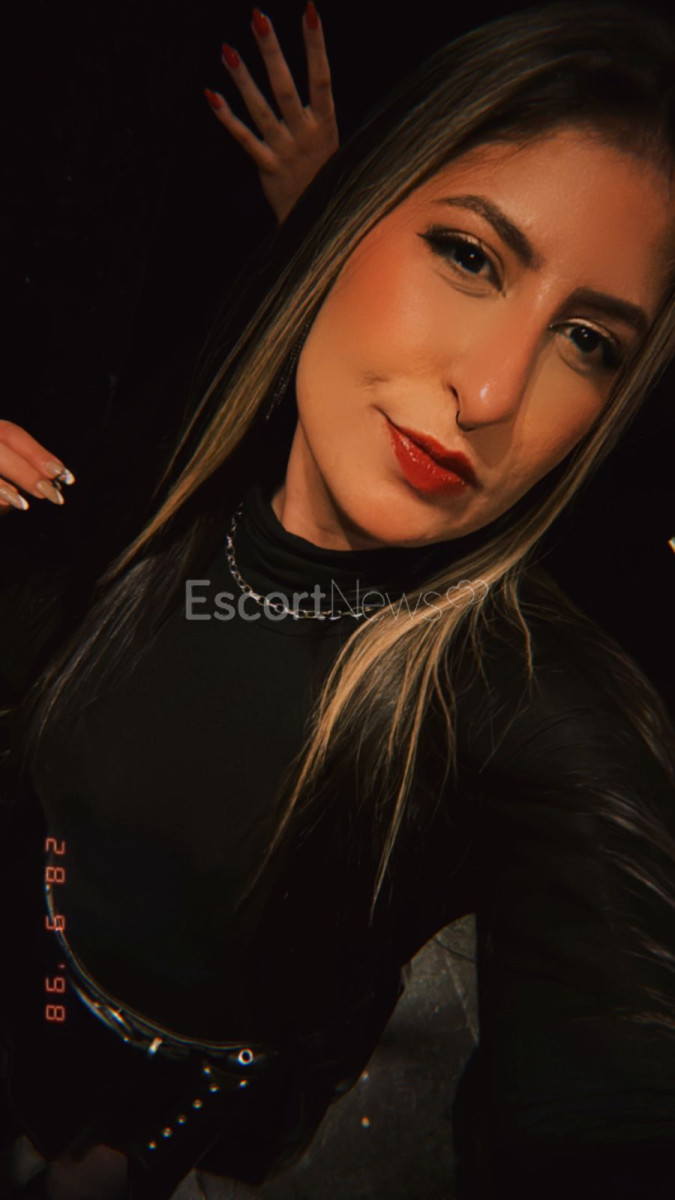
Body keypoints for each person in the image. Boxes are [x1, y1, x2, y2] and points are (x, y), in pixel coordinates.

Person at [1, 1, 674, 1197]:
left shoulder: (525, 710)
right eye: (470, 257)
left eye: (588, 341)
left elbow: (608, 1096)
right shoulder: (163, 469)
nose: (491, 392)